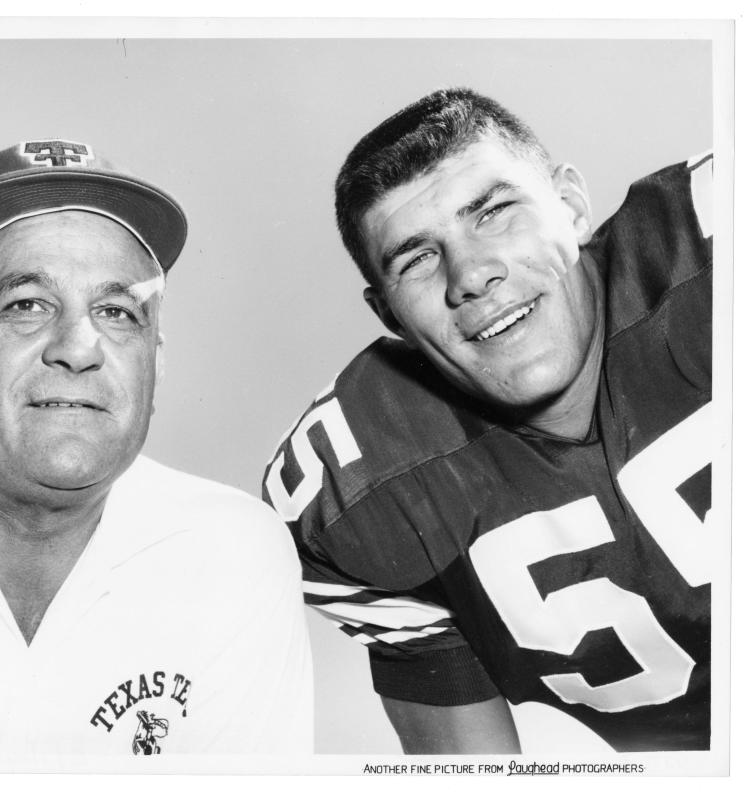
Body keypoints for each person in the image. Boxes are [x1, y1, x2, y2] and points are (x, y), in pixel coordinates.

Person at [0, 139, 313, 755]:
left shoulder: (232, 552)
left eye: (116, 311)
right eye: (26, 305)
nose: (79, 348)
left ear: (154, 368)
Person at [263, 89, 712, 753]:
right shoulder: (364, 484)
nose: (471, 274)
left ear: (570, 204)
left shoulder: (709, 257)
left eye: (496, 213)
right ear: (388, 314)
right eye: (417, 258)